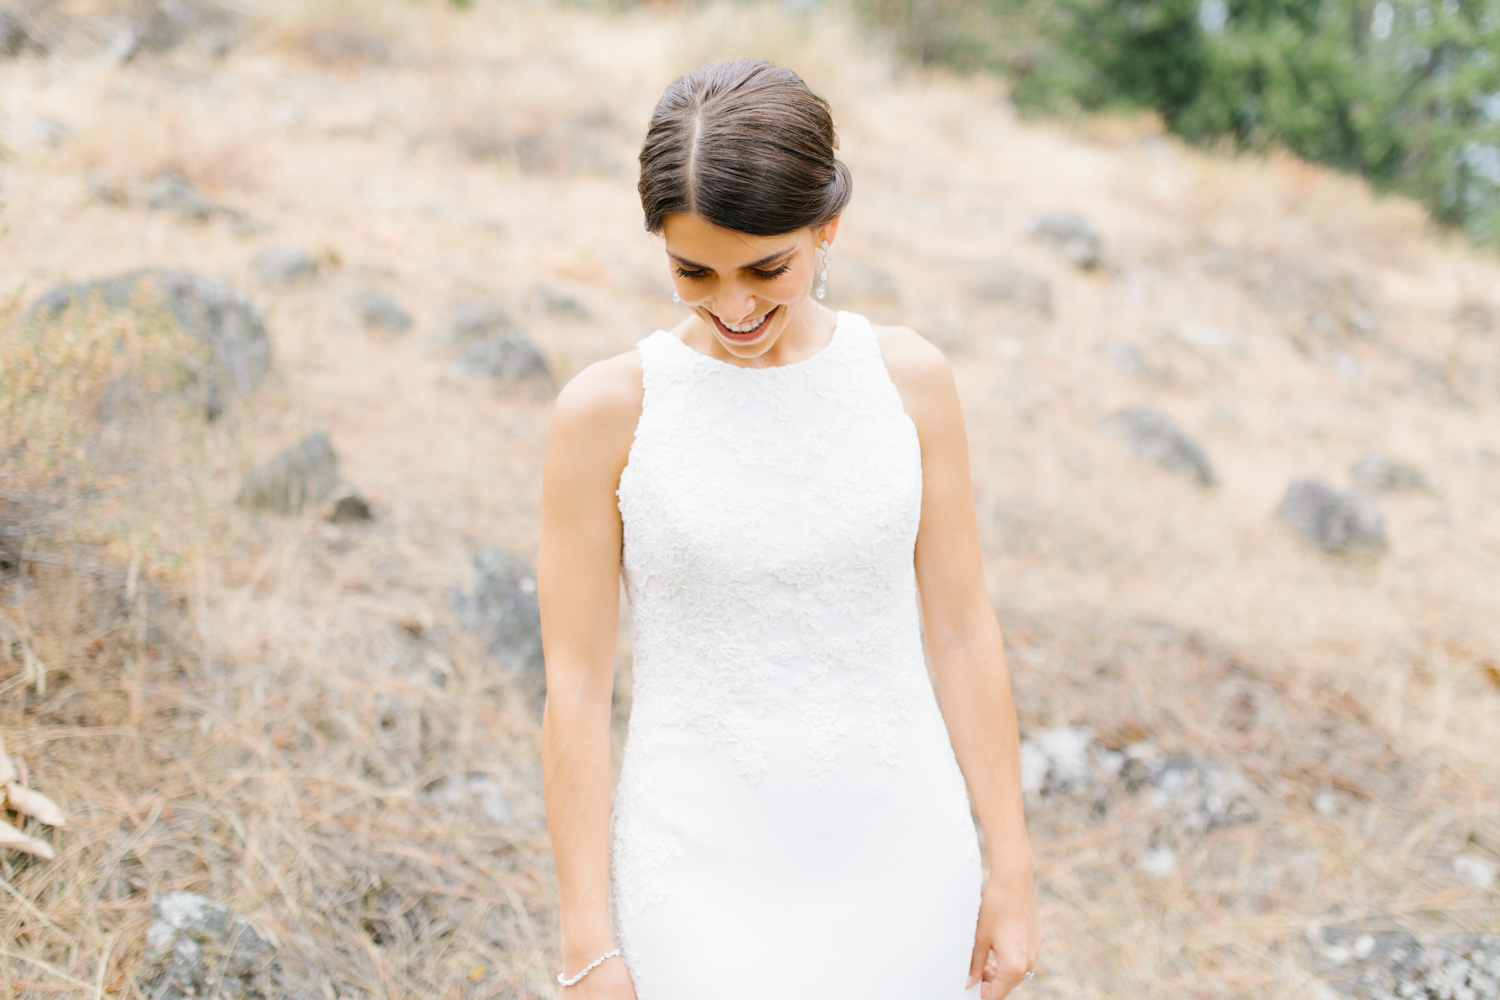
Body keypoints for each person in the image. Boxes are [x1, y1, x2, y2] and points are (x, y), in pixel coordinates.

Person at [538, 58, 1040, 1000]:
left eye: (767, 268)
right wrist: (587, 940)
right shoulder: (607, 411)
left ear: (827, 228)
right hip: (693, 863)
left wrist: (1008, 868)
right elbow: (574, 684)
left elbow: (965, 630)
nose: (733, 307)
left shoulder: (910, 381)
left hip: (900, 852)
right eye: (694, 271)